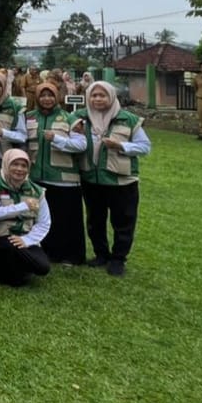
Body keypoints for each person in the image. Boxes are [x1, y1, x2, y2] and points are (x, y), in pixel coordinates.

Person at [75, 81, 152, 276]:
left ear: (111, 97)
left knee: (123, 220)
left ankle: (118, 259)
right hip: (92, 179)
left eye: (102, 95)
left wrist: (122, 146)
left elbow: (145, 147)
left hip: (121, 180)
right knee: (95, 220)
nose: (98, 99)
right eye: (94, 95)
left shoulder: (128, 119)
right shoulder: (80, 118)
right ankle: (101, 254)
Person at [25, 82, 87, 265]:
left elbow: (82, 145)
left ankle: (71, 255)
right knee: (43, 217)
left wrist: (58, 139)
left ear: (57, 97)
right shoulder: (28, 117)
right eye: (42, 95)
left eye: (50, 95)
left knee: (66, 219)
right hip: (37, 177)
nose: (46, 99)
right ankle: (48, 252)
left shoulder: (69, 118)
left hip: (64, 179)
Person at [0, 149, 52, 286]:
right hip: (2, 236)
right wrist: (23, 206)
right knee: (15, 277)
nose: (19, 169)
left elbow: (44, 222)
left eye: (24, 165)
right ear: (6, 165)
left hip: (24, 237)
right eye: (15, 164)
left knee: (43, 267)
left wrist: (27, 240)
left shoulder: (36, 191)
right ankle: (5, 269)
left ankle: (11, 270)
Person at [0, 71, 27, 153]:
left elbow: (22, 136)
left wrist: (3, 133)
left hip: (5, 156)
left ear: (4, 86)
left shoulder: (15, 107)